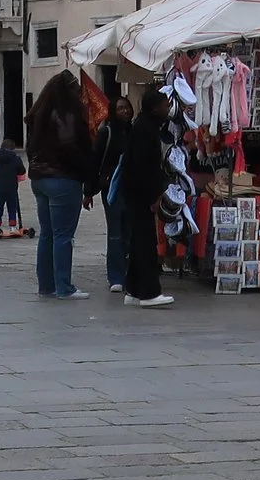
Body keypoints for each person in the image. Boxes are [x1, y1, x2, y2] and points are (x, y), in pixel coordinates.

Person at [23, 74, 93, 299]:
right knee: (63, 235)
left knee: (47, 234)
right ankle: (64, 287)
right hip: (64, 178)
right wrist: (87, 172)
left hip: (40, 179)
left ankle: (46, 285)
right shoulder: (68, 116)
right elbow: (73, 148)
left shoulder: (39, 115)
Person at [117, 88, 173, 308]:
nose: (168, 109)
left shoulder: (144, 126)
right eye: (165, 105)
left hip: (135, 192)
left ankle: (133, 289)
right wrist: (153, 196)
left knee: (138, 242)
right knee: (146, 243)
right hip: (140, 194)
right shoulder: (146, 130)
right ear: (155, 108)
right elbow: (144, 168)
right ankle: (149, 292)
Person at [91, 92, 133, 291]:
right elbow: (95, 162)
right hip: (112, 189)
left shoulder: (134, 132)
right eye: (120, 108)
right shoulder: (106, 133)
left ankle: (130, 272)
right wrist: (88, 191)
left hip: (132, 188)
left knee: (130, 232)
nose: (125, 111)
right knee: (115, 232)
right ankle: (116, 276)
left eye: (127, 107)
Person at [0, 134, 26, 239]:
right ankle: (12, 227)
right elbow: (21, 170)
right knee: (12, 206)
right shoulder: (15, 158)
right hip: (11, 186)